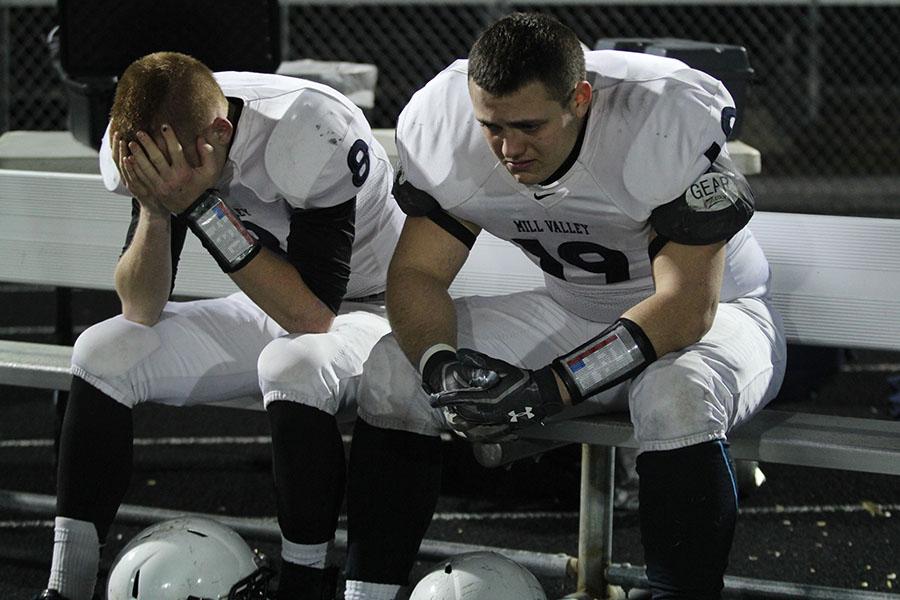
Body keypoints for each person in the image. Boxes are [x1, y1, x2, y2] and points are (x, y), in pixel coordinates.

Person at [342, 13, 786, 600]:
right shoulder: (448, 125)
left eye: (529, 126)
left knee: (676, 395)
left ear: (581, 98)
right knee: (393, 371)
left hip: (717, 318)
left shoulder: (657, 117)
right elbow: (417, 273)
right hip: (575, 309)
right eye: (491, 127)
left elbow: (684, 307)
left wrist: (547, 389)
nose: (508, 148)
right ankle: (366, 593)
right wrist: (440, 366)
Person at [35, 51, 403, 600]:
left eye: (170, 164)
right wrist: (158, 209)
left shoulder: (307, 131)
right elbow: (139, 308)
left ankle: (305, 584)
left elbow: (312, 317)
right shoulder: (150, 135)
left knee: (293, 362)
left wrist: (204, 207)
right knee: (101, 351)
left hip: (374, 309)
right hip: (275, 295)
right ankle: (66, 585)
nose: (162, 173)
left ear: (220, 133)